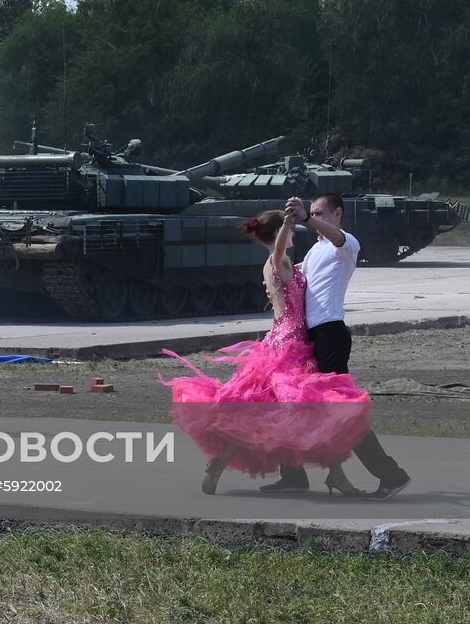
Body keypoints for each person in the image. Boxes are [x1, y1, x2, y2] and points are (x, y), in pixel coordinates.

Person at [162, 208, 372, 496]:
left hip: (288, 339)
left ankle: (220, 464)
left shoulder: (285, 264)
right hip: (290, 342)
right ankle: (336, 476)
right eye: (290, 234)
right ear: (280, 234)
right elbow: (279, 255)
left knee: (262, 410)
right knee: (312, 406)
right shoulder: (277, 262)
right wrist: (288, 222)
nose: (295, 238)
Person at [260, 193, 412, 499]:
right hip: (307, 337)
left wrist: (303, 217)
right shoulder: (316, 250)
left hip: (330, 333)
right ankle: (292, 474)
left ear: (337, 213)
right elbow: (287, 272)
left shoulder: (347, 244)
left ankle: (390, 475)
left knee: (341, 408)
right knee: (294, 401)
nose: (314, 219)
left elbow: (336, 238)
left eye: (320, 213)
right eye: (312, 213)